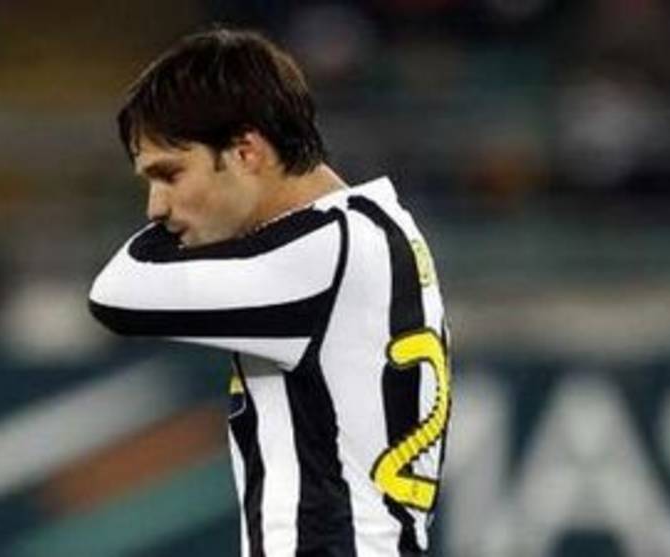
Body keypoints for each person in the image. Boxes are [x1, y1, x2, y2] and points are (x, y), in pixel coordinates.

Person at [89, 27, 451, 557]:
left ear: (246, 151)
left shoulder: (323, 251)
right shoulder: (369, 229)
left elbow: (117, 293)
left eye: (170, 174)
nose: (155, 207)